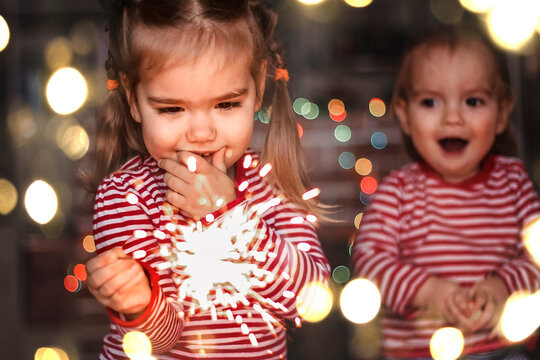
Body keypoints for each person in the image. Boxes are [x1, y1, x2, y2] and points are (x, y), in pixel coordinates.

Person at [85, 1, 330, 358]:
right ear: (133, 99)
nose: (201, 132)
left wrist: (231, 216)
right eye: (171, 109)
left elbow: (311, 300)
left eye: (226, 105)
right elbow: (163, 338)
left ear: (258, 85)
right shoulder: (125, 197)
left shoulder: (271, 183)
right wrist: (139, 302)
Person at [353, 28, 540, 360]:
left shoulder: (513, 181)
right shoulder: (398, 192)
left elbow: (536, 259)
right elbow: (369, 266)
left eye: (473, 101)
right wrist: (430, 292)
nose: (452, 117)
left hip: (500, 349)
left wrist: (502, 287)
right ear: (405, 114)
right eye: (430, 102)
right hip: (416, 353)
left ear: (501, 112)